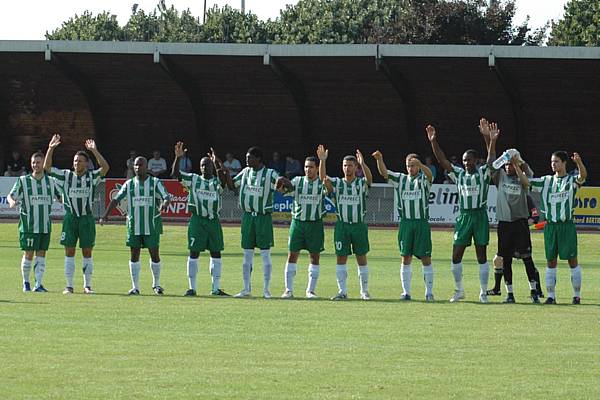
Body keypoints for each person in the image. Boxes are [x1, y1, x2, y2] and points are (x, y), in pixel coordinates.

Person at [427, 120, 497, 303]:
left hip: (480, 216)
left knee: (481, 255)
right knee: (456, 255)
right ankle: (459, 290)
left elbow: (491, 159)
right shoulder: (458, 174)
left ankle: (483, 292)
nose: (466, 162)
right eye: (464, 160)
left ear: (476, 160)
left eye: (469, 159)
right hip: (465, 216)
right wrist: (433, 141)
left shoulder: (483, 173)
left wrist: (488, 138)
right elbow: (442, 160)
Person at [43, 134, 110, 294]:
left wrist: (94, 150)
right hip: (70, 218)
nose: (76, 163)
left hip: (86, 218)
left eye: (79, 161)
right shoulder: (66, 175)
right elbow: (47, 168)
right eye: (74, 161)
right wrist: (51, 148)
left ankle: (87, 285)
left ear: (86, 163)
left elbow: (105, 168)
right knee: (69, 251)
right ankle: (69, 285)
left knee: (87, 252)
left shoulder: (91, 176)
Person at [100, 156, 171, 295]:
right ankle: (135, 287)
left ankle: (156, 285)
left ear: (146, 167)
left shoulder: (155, 182)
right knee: (134, 254)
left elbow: (166, 196)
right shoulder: (129, 184)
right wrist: (105, 215)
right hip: (134, 224)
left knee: (154, 254)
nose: (138, 167)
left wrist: (165, 203)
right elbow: (116, 199)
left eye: (140, 165)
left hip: (151, 224)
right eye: (136, 165)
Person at [372, 150, 435, 301]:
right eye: (408, 165)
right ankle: (406, 292)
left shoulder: (423, 180)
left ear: (418, 166)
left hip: (421, 223)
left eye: (413, 165)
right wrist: (379, 159)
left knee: (425, 257)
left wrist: (422, 165)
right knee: (405, 257)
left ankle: (429, 292)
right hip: (406, 223)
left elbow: (430, 176)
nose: (410, 168)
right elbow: (384, 173)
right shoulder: (400, 179)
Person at [171, 142, 232, 297]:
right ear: (199, 168)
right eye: (202, 166)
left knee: (216, 253)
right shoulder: (193, 179)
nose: (205, 168)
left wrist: (217, 160)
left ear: (211, 167)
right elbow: (175, 174)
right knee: (194, 253)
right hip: (197, 221)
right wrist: (178, 158)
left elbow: (224, 180)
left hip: (212, 221)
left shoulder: (216, 182)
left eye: (207, 165)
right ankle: (192, 288)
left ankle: (216, 288)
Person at [528, 151, 587, 304]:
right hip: (551, 227)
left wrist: (579, 163)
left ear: (564, 163)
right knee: (550, 261)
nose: (553, 164)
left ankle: (576, 295)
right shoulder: (546, 181)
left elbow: (583, 177)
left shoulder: (571, 180)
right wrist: (516, 163)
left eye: (556, 161)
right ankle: (551, 296)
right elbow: (527, 182)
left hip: (566, 226)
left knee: (572, 260)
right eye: (552, 161)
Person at [318, 145, 373, 300]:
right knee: (341, 257)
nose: (347, 168)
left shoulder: (361, 184)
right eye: (345, 165)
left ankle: (364, 291)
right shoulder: (337, 183)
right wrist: (322, 161)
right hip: (342, 225)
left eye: (350, 165)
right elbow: (324, 180)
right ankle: (342, 291)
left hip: (358, 225)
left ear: (355, 167)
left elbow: (370, 180)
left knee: (361, 257)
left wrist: (363, 163)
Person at [7, 151, 60, 292]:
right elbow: (10, 196)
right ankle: (26, 283)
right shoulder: (23, 181)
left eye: (38, 162)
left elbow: (61, 197)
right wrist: (12, 202)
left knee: (41, 254)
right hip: (28, 226)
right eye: (33, 162)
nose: (35, 165)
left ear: (43, 163)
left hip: (45, 226)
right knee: (29, 254)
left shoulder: (51, 182)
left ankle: (38, 284)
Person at [232, 147, 280, 298]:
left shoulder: (270, 173)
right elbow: (233, 185)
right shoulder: (245, 172)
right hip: (247, 217)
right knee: (247, 255)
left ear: (258, 158)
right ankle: (246, 288)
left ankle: (266, 290)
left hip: (263, 217)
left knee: (265, 254)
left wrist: (282, 183)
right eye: (247, 157)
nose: (247, 160)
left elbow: (280, 184)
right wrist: (222, 169)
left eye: (250, 157)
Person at [276, 156, 326, 299]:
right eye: (305, 167)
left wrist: (323, 160)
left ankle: (310, 291)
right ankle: (288, 290)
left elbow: (327, 189)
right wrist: (279, 185)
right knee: (292, 255)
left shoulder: (321, 183)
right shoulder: (297, 181)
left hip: (315, 224)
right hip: (298, 223)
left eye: (310, 167)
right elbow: (282, 191)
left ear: (316, 168)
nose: (307, 170)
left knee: (314, 256)